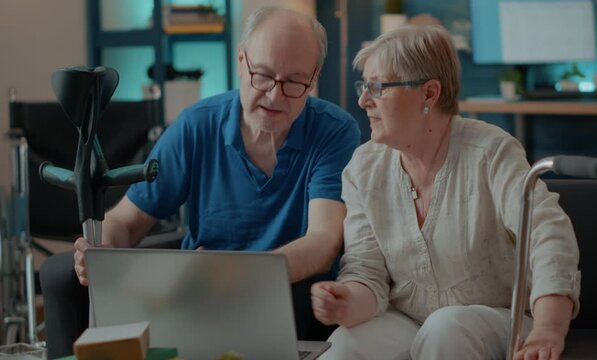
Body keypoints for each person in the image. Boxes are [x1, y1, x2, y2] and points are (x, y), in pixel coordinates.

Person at [39, 7, 360, 358]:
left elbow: (323, 241)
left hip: (290, 295)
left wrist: (237, 277)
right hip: (197, 298)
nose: (274, 96)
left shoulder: (335, 131)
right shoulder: (197, 125)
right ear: (241, 60)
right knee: (64, 273)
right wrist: (99, 251)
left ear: (314, 78)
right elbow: (127, 221)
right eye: (262, 76)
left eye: (294, 82)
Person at [310, 25, 580, 360]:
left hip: (496, 318)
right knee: (342, 347)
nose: (363, 100)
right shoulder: (363, 168)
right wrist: (346, 300)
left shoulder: (491, 151)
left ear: (429, 93)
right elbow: (366, 271)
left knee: (446, 328)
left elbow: (547, 234)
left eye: (377, 87)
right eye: (364, 86)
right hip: (405, 318)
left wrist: (548, 329)